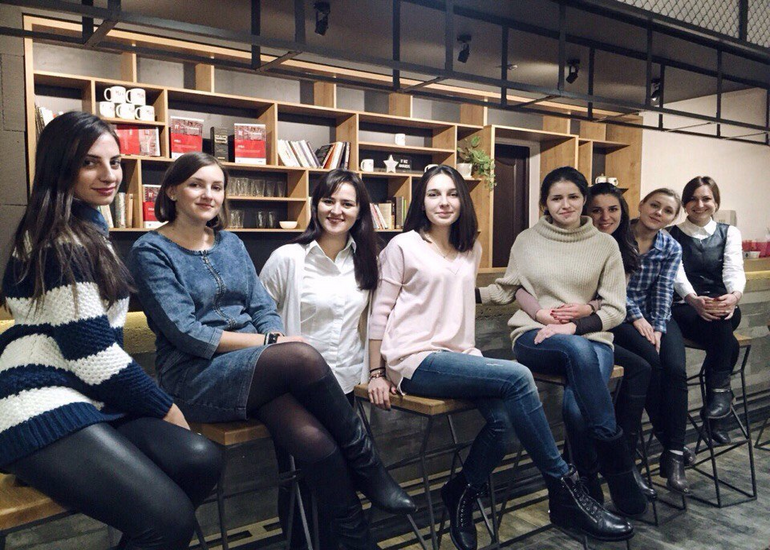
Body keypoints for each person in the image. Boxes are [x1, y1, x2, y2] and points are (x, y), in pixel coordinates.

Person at [127, 152, 414, 550]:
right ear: (172, 191)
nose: (208, 194)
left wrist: (272, 339)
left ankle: (358, 538)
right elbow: (187, 333)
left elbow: (262, 307)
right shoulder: (150, 250)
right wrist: (271, 344)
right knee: (302, 354)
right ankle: (370, 469)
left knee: (315, 442)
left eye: (216, 187)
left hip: (252, 370)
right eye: (196, 185)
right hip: (194, 376)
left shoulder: (230, 243)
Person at [368, 165, 632, 550]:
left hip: (460, 356)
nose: (444, 202)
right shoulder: (402, 246)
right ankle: (565, 488)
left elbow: (494, 291)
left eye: (452, 194)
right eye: (434, 194)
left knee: (505, 422)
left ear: (463, 200)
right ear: (421, 202)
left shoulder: (469, 250)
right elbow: (379, 311)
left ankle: (461, 491)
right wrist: (376, 371)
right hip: (413, 359)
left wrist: (550, 307)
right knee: (517, 376)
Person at [0, 111, 222, 550]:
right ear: (60, 166)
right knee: (169, 522)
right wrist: (165, 407)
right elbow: (94, 355)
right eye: (90, 163)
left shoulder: (90, 229)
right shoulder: (60, 238)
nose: (108, 175)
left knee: (201, 459)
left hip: (87, 397)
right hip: (37, 403)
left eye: (115, 162)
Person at [479, 167, 648, 518]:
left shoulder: (604, 245)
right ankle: (620, 469)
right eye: (557, 198)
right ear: (545, 203)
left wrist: (573, 327)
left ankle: (585, 489)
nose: (565, 204)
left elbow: (615, 309)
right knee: (577, 351)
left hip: (591, 338)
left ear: (584, 199)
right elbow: (507, 289)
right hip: (534, 337)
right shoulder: (527, 240)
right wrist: (459, 291)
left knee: (575, 408)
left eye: (573, 197)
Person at [260, 169, 380, 549]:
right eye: (328, 200)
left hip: (343, 385)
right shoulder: (288, 258)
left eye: (347, 203)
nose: (336, 210)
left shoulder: (367, 260)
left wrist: (376, 373)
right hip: (293, 392)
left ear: (359, 212)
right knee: (300, 480)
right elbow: (258, 316)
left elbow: (370, 322)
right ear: (316, 205)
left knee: (339, 480)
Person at [670, 176, 746, 445]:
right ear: (684, 203)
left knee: (721, 320)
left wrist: (733, 297)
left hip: (723, 304)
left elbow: (734, 269)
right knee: (727, 340)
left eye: (706, 198)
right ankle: (719, 405)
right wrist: (693, 299)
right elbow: (677, 274)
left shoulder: (730, 233)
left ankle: (718, 401)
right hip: (685, 306)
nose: (699, 204)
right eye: (693, 199)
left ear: (716, 202)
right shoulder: (671, 234)